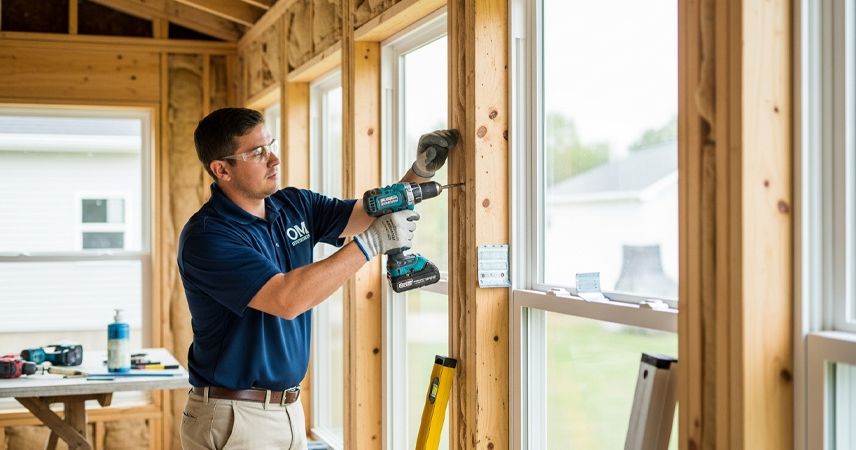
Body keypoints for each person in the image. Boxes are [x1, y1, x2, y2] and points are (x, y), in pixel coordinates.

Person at [177, 107, 458, 450]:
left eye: (271, 145)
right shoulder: (208, 237)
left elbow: (369, 213)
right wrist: (369, 244)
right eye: (257, 152)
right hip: (234, 416)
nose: (274, 159)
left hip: (287, 410)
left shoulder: (294, 205)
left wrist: (418, 173)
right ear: (222, 169)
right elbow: (286, 299)